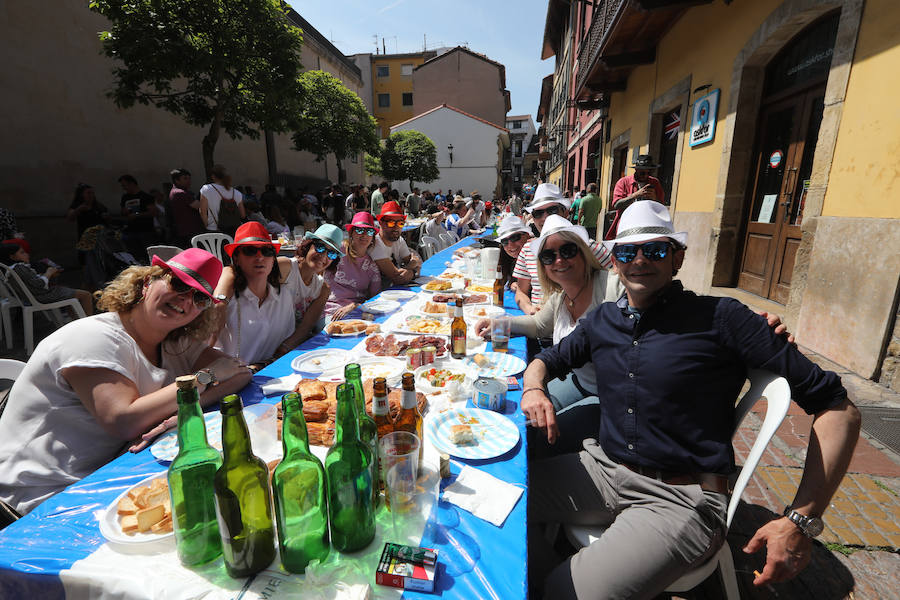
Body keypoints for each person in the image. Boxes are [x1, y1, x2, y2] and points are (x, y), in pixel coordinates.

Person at [523, 201, 861, 599]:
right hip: (605, 469)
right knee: (503, 509)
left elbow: (839, 408)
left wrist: (801, 521)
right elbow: (548, 358)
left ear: (678, 258)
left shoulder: (724, 319)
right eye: (628, 251)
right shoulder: (604, 320)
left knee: (563, 593)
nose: (640, 261)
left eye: (657, 250)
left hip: (681, 499)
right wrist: (533, 387)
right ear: (614, 261)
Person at [0, 248, 251, 517]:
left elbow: (240, 373)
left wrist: (181, 412)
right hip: (41, 496)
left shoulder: (174, 340)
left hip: (106, 473)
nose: (186, 300)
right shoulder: (95, 337)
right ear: (146, 282)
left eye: (199, 297)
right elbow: (124, 421)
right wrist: (203, 378)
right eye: (178, 283)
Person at [514, 183, 613, 316]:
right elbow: (521, 292)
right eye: (538, 213)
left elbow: (616, 283)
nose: (545, 217)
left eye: (552, 210)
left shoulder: (590, 247)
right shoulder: (527, 249)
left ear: (566, 212)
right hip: (541, 328)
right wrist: (529, 309)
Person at [213, 222, 303, 367]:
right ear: (236, 259)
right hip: (234, 378)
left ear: (273, 259)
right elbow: (207, 348)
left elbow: (286, 342)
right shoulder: (227, 301)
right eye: (250, 250)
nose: (260, 257)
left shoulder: (284, 296)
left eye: (267, 251)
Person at [0, 239, 94, 317]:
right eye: (22, 252)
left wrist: (45, 275)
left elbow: (31, 282)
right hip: (42, 296)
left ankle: (75, 320)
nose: (27, 254)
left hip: (36, 296)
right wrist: (48, 273)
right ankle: (87, 323)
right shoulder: (19, 267)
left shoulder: (12, 269)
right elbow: (39, 284)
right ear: (12, 257)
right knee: (86, 295)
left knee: (70, 293)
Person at [324, 212, 382, 320]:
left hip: (356, 311)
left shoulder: (372, 267)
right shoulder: (337, 251)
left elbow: (375, 299)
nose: (364, 235)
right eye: (359, 230)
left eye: (369, 231)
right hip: (329, 309)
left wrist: (355, 306)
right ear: (351, 233)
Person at [287, 224, 340, 341]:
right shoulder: (286, 267)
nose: (323, 256)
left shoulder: (323, 289)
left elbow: (306, 327)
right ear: (308, 245)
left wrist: (286, 348)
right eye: (320, 247)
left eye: (331, 254)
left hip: (293, 344)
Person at [607, 154, 666, 239]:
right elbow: (616, 205)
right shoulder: (623, 182)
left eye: (649, 173)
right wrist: (635, 195)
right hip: (626, 227)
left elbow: (662, 208)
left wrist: (655, 199)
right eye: (642, 173)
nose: (646, 175)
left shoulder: (655, 182)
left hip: (648, 227)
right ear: (636, 169)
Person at [368, 201, 422, 287]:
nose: (396, 227)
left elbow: (415, 261)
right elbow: (397, 278)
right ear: (380, 223)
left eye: (400, 223)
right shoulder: (375, 244)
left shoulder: (399, 240)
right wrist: (414, 270)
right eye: (391, 222)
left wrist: (411, 266)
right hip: (378, 294)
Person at [118, 174, 158, 259]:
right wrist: (123, 211)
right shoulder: (125, 197)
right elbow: (122, 211)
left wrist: (137, 215)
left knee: (148, 256)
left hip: (145, 231)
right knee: (135, 256)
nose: (124, 188)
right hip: (130, 232)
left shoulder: (145, 197)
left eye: (124, 185)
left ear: (132, 183)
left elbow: (153, 212)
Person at [199, 164, 245, 236]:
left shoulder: (206, 189)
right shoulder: (236, 193)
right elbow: (243, 215)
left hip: (214, 229)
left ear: (213, 176)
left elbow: (202, 212)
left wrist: (206, 225)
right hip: (234, 231)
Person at [168, 169, 206, 249]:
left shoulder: (177, 192)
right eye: (185, 178)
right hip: (190, 231)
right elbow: (199, 206)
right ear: (176, 180)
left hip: (187, 231)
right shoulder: (180, 193)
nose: (188, 181)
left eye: (189, 178)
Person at [495, 215, 532, 291]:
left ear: (527, 236)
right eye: (504, 241)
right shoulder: (510, 262)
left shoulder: (537, 258)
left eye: (514, 237)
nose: (510, 245)